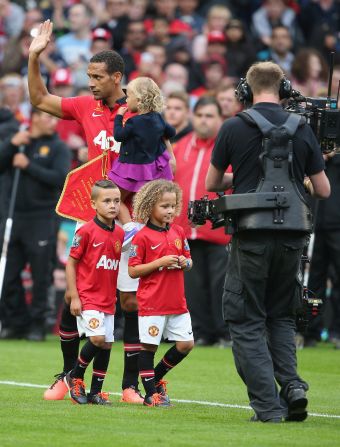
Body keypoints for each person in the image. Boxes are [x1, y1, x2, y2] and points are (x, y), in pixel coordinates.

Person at [205, 61, 330, 422]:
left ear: (244, 90)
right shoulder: (302, 127)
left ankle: (267, 408)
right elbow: (322, 189)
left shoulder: (232, 127)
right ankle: (292, 387)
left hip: (251, 236)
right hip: (293, 236)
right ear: (285, 89)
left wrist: (243, 179)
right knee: (281, 316)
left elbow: (214, 183)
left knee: (245, 320)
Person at [28, 20, 143, 404]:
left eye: (97, 77)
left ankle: (128, 385)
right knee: (75, 295)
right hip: (92, 214)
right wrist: (34, 57)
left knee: (128, 301)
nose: (90, 83)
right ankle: (67, 376)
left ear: (117, 77)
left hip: (131, 216)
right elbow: (41, 100)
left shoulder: (139, 110)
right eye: (88, 76)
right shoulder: (84, 106)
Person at [0, 108, 71, 341]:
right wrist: (11, 144)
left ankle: (38, 323)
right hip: (15, 215)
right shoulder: (20, 142)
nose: (53, 122)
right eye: (48, 117)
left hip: (42, 217)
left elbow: (61, 178)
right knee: (9, 273)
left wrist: (28, 165)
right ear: (35, 119)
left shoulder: (58, 147)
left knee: (41, 273)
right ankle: (15, 321)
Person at [128, 179, 194, 406]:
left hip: (177, 302)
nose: (170, 211)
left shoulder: (178, 231)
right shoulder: (142, 236)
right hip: (152, 302)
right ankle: (150, 395)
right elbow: (134, 270)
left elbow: (189, 260)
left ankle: (154, 380)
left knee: (186, 345)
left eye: (173, 206)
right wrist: (160, 262)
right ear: (150, 206)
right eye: (164, 206)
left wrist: (185, 263)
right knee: (149, 347)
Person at [174, 96, 231, 347]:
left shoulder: (228, 147)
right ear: (192, 117)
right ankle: (200, 332)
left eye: (209, 116)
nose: (204, 121)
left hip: (219, 232)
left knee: (221, 285)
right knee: (193, 287)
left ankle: (224, 332)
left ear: (220, 119)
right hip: (186, 231)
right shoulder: (180, 146)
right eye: (200, 115)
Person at [64, 180, 124, 405]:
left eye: (116, 201)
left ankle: (96, 392)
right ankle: (75, 376)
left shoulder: (119, 233)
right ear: (93, 204)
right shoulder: (86, 230)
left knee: (106, 344)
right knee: (97, 339)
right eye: (107, 201)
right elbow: (71, 263)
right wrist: (74, 296)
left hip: (108, 298)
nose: (113, 205)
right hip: (88, 297)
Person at [108, 76, 176, 244]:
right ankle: (146, 229)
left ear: (138, 100)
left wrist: (118, 117)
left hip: (131, 167)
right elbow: (172, 132)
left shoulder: (133, 122)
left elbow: (118, 136)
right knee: (148, 202)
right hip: (151, 168)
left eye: (129, 96)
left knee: (116, 198)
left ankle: (129, 228)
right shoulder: (158, 118)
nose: (126, 100)